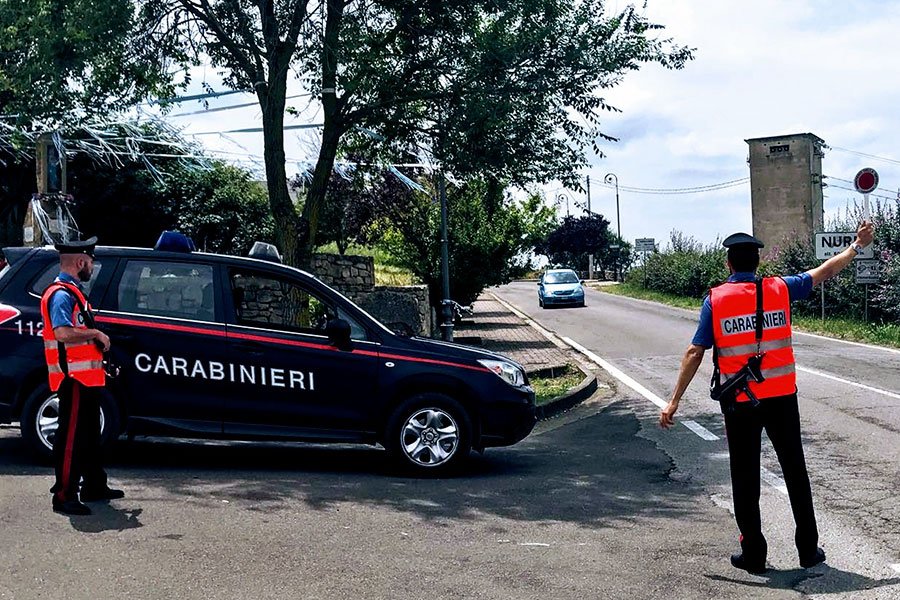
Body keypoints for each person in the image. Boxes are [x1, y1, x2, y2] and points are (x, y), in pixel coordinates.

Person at [659, 221, 875, 574]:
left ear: (729, 263)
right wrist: (855, 246)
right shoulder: (780, 288)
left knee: (745, 478)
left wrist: (674, 400)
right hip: (782, 398)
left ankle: (754, 555)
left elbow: (695, 351)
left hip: (740, 404)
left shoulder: (715, 300)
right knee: (795, 471)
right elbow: (824, 271)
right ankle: (808, 550)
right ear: (757, 262)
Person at [39, 236, 124, 516]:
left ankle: (94, 485)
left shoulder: (73, 292)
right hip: (73, 379)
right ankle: (64, 495)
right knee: (71, 438)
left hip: (86, 378)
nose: (91, 267)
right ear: (79, 262)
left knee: (88, 435)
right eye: (89, 262)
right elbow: (63, 333)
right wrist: (96, 333)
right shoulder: (61, 294)